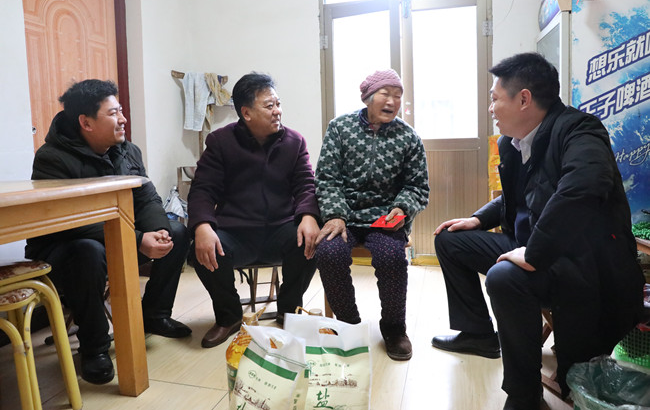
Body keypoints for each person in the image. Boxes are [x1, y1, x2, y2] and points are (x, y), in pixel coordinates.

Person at [430, 52, 645, 410]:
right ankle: (478, 334)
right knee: (450, 239)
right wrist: (478, 220)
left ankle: (522, 395)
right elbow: (517, 198)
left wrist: (533, 253)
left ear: (524, 99)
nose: (491, 108)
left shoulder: (579, 130)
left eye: (495, 98)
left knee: (504, 277)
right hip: (530, 246)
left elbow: (584, 187)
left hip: (579, 262)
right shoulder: (512, 143)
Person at [26, 79, 192, 385]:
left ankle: (154, 315)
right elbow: (71, 222)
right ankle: (94, 347)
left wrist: (156, 231)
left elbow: (146, 197)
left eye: (121, 111)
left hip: (117, 238)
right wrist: (137, 240)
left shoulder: (128, 151)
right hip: (63, 247)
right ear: (86, 123)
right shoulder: (52, 158)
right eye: (113, 113)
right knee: (88, 251)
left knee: (176, 233)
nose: (123, 119)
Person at [187, 72, 320, 348]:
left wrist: (308, 215)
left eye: (278, 104)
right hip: (236, 232)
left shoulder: (294, 142)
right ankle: (229, 316)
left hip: (281, 229)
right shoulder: (221, 142)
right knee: (202, 249)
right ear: (246, 112)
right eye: (269, 106)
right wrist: (202, 226)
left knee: (311, 240)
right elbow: (203, 189)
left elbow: (306, 185)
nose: (277, 111)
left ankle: (289, 310)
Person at [314, 69, 430, 361]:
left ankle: (394, 328)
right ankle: (348, 324)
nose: (392, 101)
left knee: (392, 258)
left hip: (385, 220)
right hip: (345, 216)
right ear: (367, 98)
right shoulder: (339, 128)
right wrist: (335, 215)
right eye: (385, 94)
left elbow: (417, 186)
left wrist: (402, 208)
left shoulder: (408, 137)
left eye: (398, 96)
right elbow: (327, 178)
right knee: (328, 252)